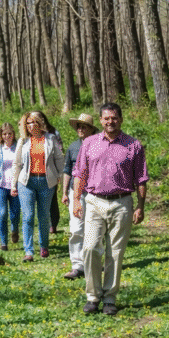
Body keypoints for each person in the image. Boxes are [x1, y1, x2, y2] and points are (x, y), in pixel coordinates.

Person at [72, 103, 148, 315]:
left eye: (114, 118)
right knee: (90, 248)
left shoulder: (133, 145)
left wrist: (140, 206)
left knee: (115, 252)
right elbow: (79, 173)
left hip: (122, 202)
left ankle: (110, 298)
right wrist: (77, 200)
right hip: (94, 201)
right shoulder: (89, 143)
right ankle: (93, 296)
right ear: (100, 120)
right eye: (106, 118)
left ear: (121, 119)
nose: (110, 122)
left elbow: (141, 179)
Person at [12, 111, 65, 261]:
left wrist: (61, 177)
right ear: (25, 125)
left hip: (46, 182)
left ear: (40, 123)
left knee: (43, 216)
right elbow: (17, 164)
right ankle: (29, 252)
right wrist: (13, 185)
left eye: (34, 122)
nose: (31, 125)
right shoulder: (23, 141)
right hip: (26, 182)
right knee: (28, 217)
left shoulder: (50, 138)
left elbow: (59, 158)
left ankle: (44, 246)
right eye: (28, 123)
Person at [60, 112, 98, 280]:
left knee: (96, 229)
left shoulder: (99, 144)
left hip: (95, 193)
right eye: (78, 126)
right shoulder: (73, 147)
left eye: (84, 126)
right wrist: (64, 192)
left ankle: (94, 263)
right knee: (76, 229)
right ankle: (77, 265)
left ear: (91, 129)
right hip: (76, 193)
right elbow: (67, 170)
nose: (80, 129)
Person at [0, 123, 21, 251]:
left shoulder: (19, 147)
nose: (7, 136)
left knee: (15, 213)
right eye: (5, 134)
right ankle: (3, 242)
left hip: (15, 186)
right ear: (1, 135)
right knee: (2, 213)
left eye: (10, 134)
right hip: (0, 185)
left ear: (13, 134)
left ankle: (15, 229)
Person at [31, 111, 64, 234]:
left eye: (38, 118)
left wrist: (59, 172)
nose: (36, 122)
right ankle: (43, 223)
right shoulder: (30, 134)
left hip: (51, 171)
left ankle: (53, 223)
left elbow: (60, 151)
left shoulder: (53, 133)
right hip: (35, 173)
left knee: (52, 199)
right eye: (33, 119)